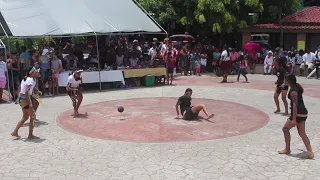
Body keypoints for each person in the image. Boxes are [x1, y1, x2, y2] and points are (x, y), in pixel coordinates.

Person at [278, 73, 314, 159]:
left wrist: (293, 119)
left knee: (285, 129)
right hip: (303, 113)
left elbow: (295, 105)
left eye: (285, 80)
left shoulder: (293, 90)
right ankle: (310, 152)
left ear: (289, 81)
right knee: (302, 133)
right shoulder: (296, 86)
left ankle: (287, 149)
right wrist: (283, 86)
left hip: (298, 113)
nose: (284, 81)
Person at [11, 66, 42, 139]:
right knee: (32, 116)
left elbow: (25, 88)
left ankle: (15, 132)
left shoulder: (27, 79)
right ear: (32, 73)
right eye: (35, 71)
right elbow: (27, 91)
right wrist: (30, 102)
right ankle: (30, 134)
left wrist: (37, 90)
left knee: (25, 117)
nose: (37, 72)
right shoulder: (30, 80)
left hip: (22, 99)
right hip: (25, 100)